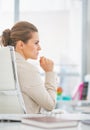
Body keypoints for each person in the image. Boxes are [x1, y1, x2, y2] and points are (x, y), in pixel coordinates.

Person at [1, 21, 57, 114]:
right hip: (27, 125)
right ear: (21, 45)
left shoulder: (4, 65)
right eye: (36, 43)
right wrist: (49, 72)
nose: (39, 48)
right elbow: (50, 105)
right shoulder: (28, 70)